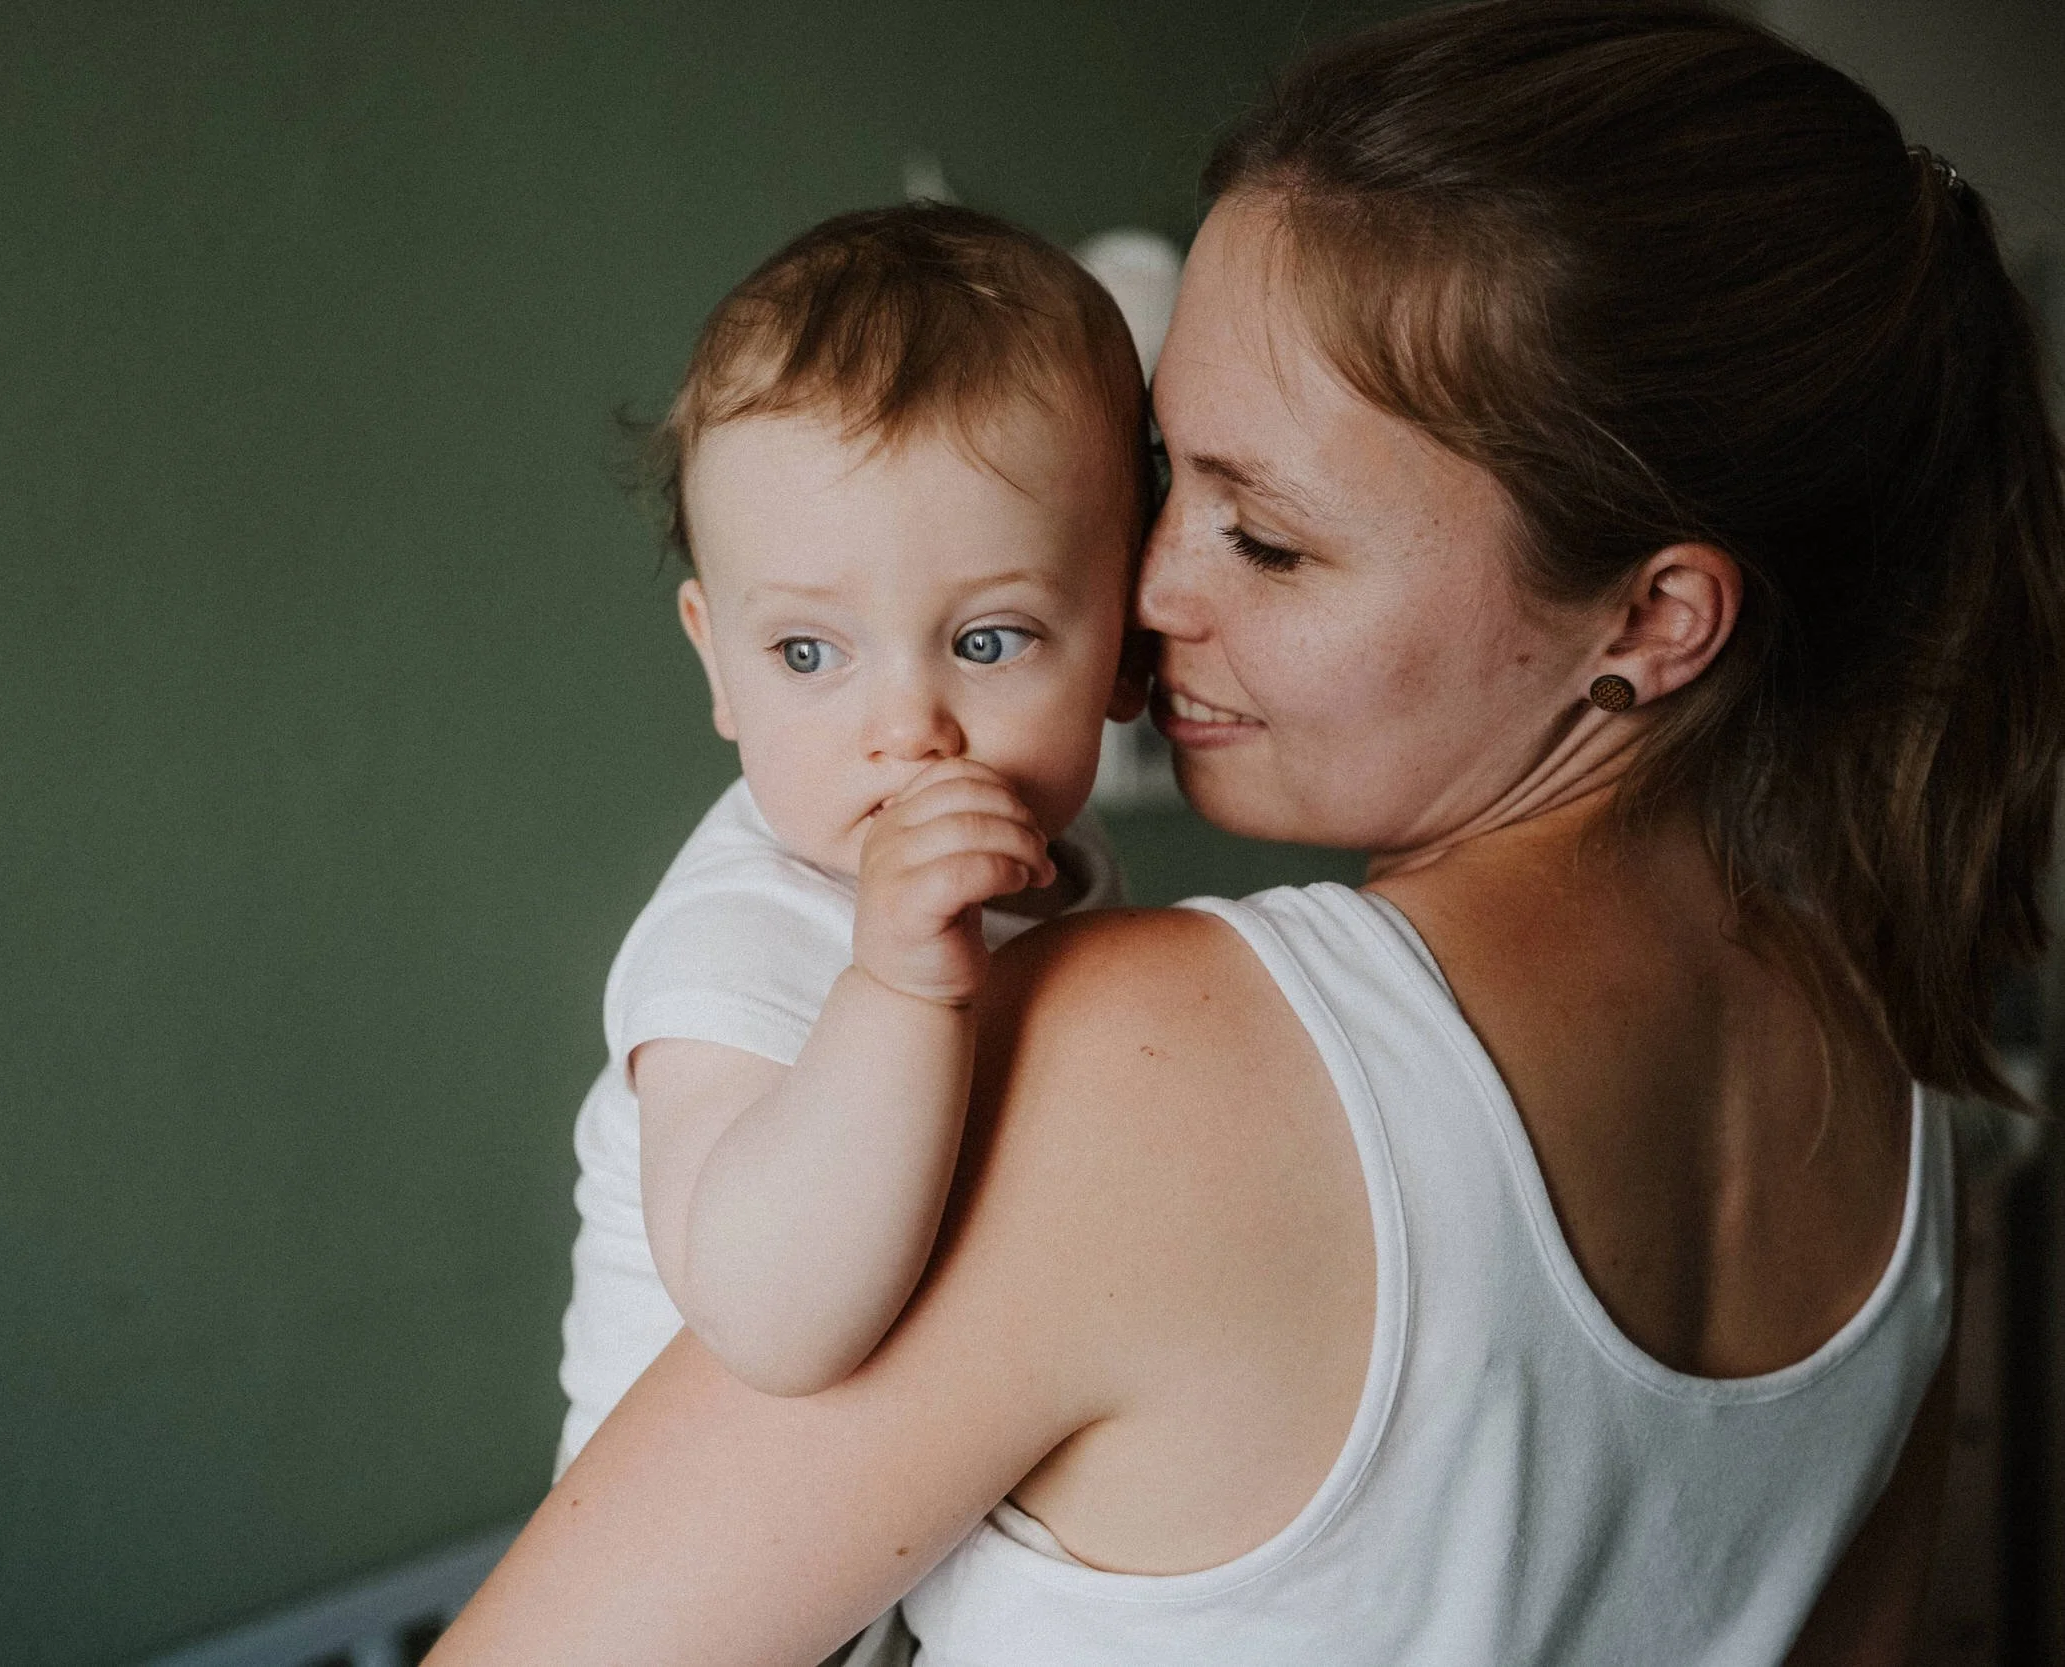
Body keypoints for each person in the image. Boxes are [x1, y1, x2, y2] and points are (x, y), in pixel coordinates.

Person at [436, 2, 2065, 1662]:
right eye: (1162, 477)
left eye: (1267, 539)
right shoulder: (1891, 1102)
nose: (1142, 592)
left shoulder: (1143, 1060)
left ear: (1649, 618)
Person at [553, 203, 1152, 1480]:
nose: (906, 727)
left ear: (1124, 640)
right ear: (718, 661)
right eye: (807, 652)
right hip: (705, 1552)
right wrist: (896, 989)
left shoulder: (1056, 850)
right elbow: (771, 1323)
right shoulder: (737, 941)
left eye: (987, 639)